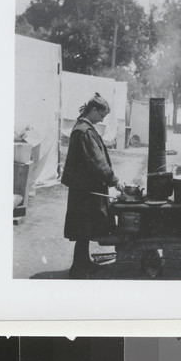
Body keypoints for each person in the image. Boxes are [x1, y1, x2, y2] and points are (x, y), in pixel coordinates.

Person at [61, 93, 123, 278]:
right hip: (86, 190)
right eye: (102, 115)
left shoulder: (82, 127)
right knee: (83, 228)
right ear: (94, 110)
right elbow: (97, 162)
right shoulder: (85, 131)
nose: (102, 119)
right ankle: (78, 270)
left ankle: (82, 262)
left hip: (83, 188)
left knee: (84, 230)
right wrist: (115, 181)